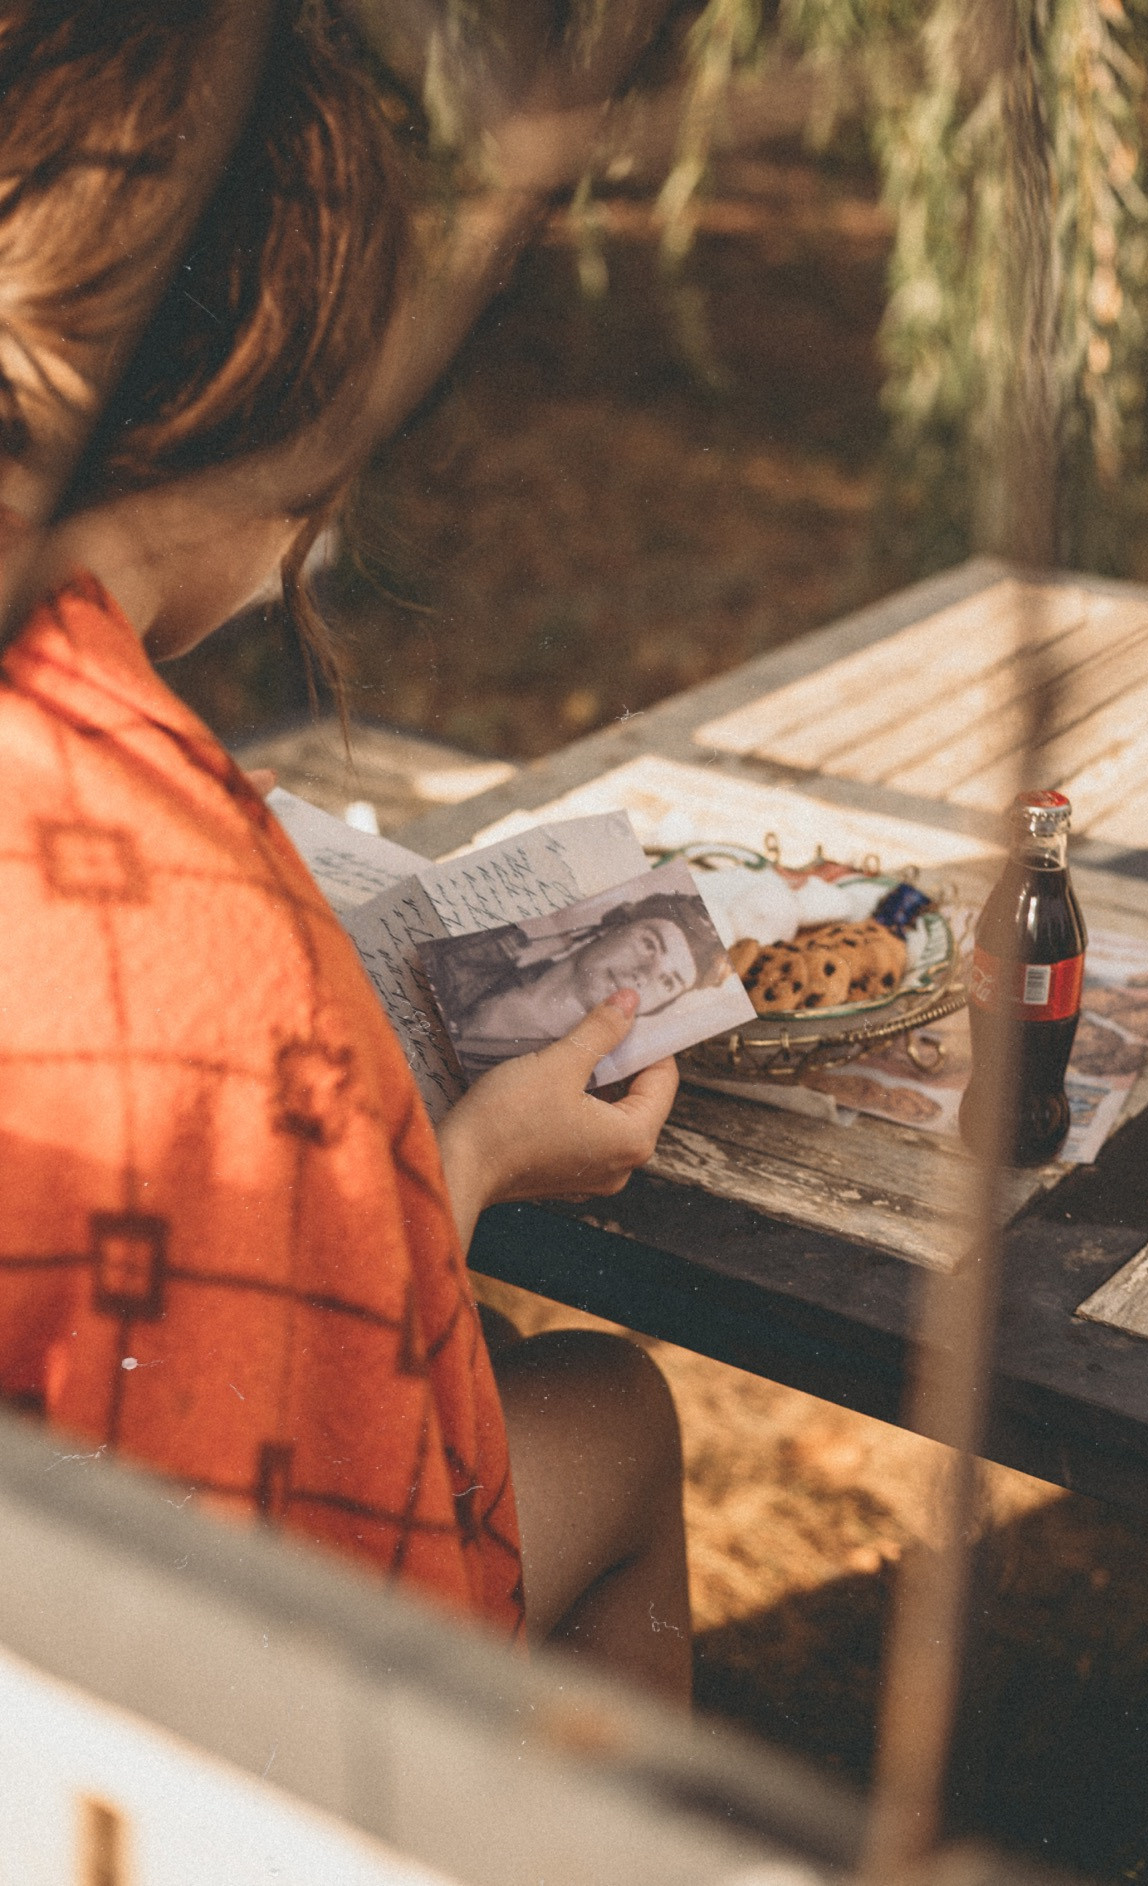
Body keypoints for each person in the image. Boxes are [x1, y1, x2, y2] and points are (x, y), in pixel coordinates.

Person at [0, 1, 690, 1700]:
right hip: (97, 1698)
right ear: (278, 416)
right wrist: (469, 1164)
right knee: (613, 1406)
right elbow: (281, 1542)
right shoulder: (193, 934)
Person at [427, 890, 732, 1076]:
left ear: (656, 1008)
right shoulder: (466, 961)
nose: (643, 974)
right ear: (613, 927)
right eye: (650, 945)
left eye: (668, 981)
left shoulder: (573, 1082)